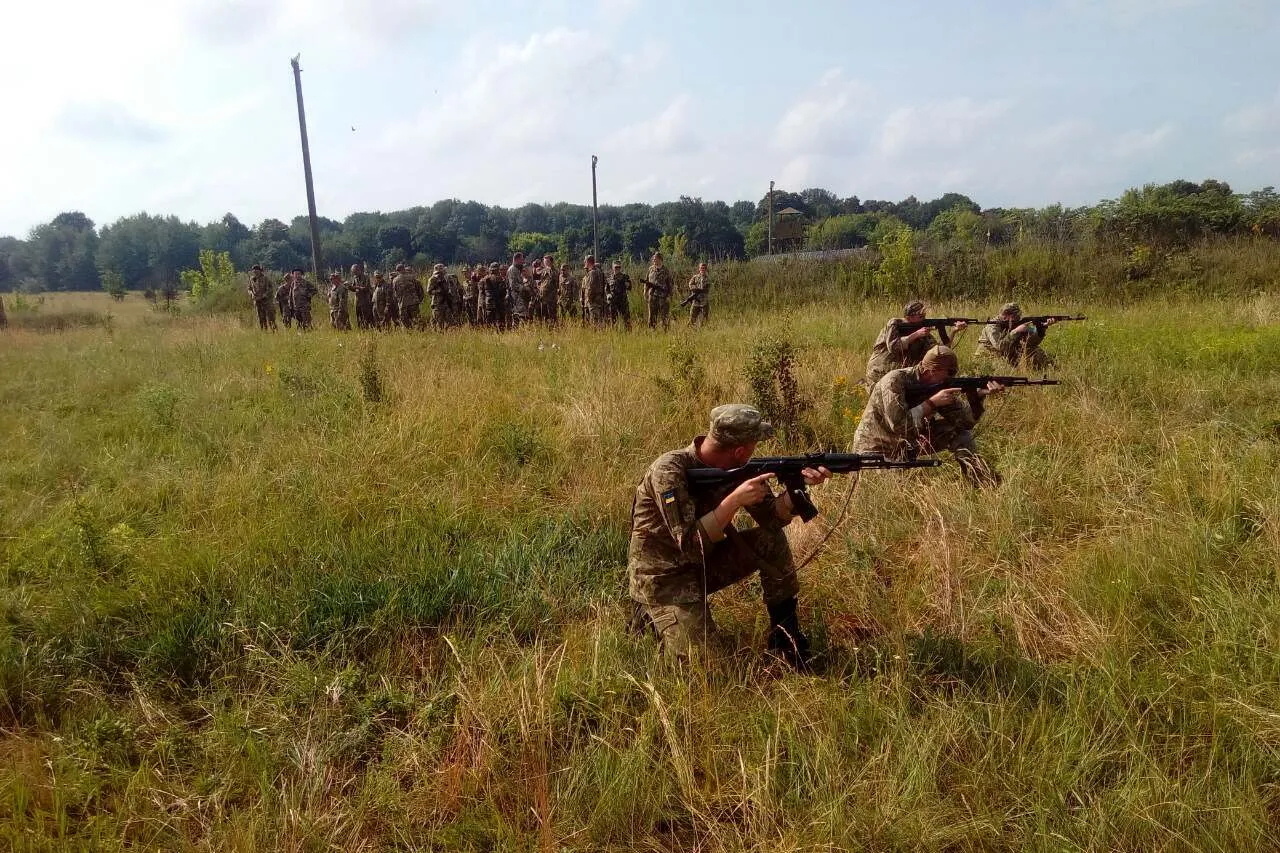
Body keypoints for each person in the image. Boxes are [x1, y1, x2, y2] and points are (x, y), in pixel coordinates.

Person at [629, 404, 831, 667]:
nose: (755, 449)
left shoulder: (739, 468)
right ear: (739, 450)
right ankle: (649, 614)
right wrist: (733, 501)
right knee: (709, 669)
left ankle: (786, 639)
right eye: (755, 443)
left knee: (771, 542)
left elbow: (771, 518)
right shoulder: (669, 472)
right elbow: (689, 547)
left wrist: (794, 494)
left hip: (703, 563)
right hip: (664, 579)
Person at [852, 345, 1003, 486]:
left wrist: (977, 397)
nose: (951, 377)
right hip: (877, 447)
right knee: (893, 489)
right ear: (931, 370)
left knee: (961, 434)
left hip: (908, 443)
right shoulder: (894, 382)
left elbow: (964, 422)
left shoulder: (937, 385)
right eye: (950, 373)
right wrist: (931, 404)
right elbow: (899, 426)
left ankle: (982, 481)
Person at [864, 300, 967, 386]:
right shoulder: (894, 324)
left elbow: (939, 352)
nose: (924, 319)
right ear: (909, 317)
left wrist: (954, 331)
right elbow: (893, 346)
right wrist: (916, 335)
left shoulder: (922, 332)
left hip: (897, 376)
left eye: (924, 316)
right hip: (878, 373)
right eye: (921, 316)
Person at [977, 302, 1056, 369]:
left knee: (1037, 352)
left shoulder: (1015, 324)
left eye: (1018, 316)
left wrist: (1042, 328)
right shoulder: (993, 326)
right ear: (1005, 316)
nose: (1017, 319)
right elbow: (1000, 346)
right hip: (988, 356)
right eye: (1014, 317)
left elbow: (1030, 343)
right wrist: (1016, 331)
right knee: (1004, 370)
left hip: (1009, 353)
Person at [645, 252, 673, 330]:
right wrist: (645, 292)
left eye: (655, 259)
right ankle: (652, 332)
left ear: (660, 259)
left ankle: (665, 332)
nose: (654, 260)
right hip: (652, 296)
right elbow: (647, 281)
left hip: (663, 297)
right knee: (652, 316)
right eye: (653, 259)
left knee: (664, 316)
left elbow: (670, 284)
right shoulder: (650, 269)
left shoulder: (666, 270)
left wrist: (669, 296)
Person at [393, 263, 424, 329]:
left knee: (405, 323)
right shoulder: (412, 277)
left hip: (403, 304)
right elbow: (419, 290)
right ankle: (420, 334)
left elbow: (395, 294)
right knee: (417, 321)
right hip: (414, 303)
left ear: (397, 271)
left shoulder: (395, 280)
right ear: (404, 269)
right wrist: (418, 300)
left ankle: (409, 334)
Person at [246, 264, 277, 331]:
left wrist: (265, 294)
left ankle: (274, 332)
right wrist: (251, 294)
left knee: (271, 318)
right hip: (257, 302)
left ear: (260, 271)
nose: (255, 272)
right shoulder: (252, 279)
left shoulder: (265, 278)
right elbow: (249, 289)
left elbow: (271, 288)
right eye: (254, 271)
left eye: (257, 271)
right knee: (261, 318)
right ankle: (264, 332)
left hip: (266, 301)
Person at [481, 261, 509, 329]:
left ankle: (490, 333)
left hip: (488, 303)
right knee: (500, 320)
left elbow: (482, 292)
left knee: (490, 320)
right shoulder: (499, 279)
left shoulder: (484, 279)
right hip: (498, 303)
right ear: (497, 270)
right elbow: (502, 292)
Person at [581, 255, 607, 326]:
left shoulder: (592, 273)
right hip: (599, 299)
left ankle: (597, 335)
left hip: (593, 301)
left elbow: (590, 288)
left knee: (595, 322)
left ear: (588, 262)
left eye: (585, 261)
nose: (584, 263)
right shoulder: (599, 272)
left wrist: (589, 299)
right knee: (599, 320)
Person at [606, 261, 632, 330]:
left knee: (626, 319)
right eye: (616, 267)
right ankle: (614, 332)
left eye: (619, 267)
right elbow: (607, 289)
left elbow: (630, 288)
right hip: (613, 301)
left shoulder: (625, 277)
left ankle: (629, 334)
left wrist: (628, 285)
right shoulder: (609, 278)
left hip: (623, 301)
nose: (617, 269)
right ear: (613, 268)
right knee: (613, 319)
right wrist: (608, 294)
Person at [348, 263, 374, 330]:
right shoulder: (355, 278)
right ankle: (361, 331)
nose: (354, 273)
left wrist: (357, 287)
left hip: (365, 301)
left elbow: (366, 288)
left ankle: (368, 330)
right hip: (357, 302)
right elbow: (354, 289)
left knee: (366, 318)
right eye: (353, 272)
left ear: (359, 270)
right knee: (359, 318)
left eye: (355, 271)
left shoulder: (366, 277)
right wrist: (349, 287)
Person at [507, 253, 530, 327]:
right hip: (516, 297)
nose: (523, 261)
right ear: (517, 259)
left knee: (520, 316)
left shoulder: (517, 269)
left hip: (519, 296)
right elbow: (513, 285)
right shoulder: (512, 270)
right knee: (520, 316)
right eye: (522, 259)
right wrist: (524, 288)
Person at [426, 263, 452, 329]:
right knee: (439, 321)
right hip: (437, 303)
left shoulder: (446, 278)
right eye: (441, 269)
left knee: (448, 320)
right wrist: (438, 291)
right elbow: (429, 291)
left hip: (446, 302)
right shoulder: (432, 279)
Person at [686, 262, 711, 327]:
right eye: (701, 268)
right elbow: (690, 284)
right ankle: (690, 331)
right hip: (696, 301)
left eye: (704, 268)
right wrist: (695, 288)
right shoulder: (695, 277)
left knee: (704, 320)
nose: (702, 269)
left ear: (706, 269)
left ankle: (703, 332)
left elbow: (705, 288)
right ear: (699, 269)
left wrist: (699, 289)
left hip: (704, 302)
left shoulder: (707, 278)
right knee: (692, 318)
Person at [537, 254, 559, 324]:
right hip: (543, 297)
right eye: (544, 261)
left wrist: (549, 269)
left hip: (551, 298)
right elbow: (542, 282)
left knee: (552, 316)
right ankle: (546, 330)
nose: (545, 263)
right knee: (544, 316)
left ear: (551, 262)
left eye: (547, 261)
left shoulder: (554, 271)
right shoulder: (544, 271)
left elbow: (555, 283)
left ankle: (554, 330)